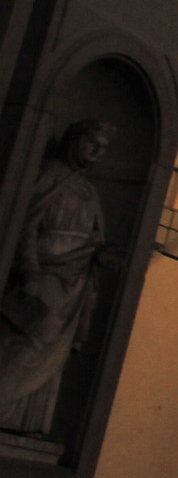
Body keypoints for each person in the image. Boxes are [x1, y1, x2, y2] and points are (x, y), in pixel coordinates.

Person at [0, 119, 115, 435]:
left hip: (74, 284)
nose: (96, 151)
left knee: (54, 351)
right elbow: (26, 224)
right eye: (92, 142)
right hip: (45, 276)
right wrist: (31, 269)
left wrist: (100, 253)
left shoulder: (88, 190)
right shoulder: (50, 174)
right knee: (28, 340)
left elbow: (94, 236)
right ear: (75, 140)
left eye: (103, 148)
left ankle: (27, 421)